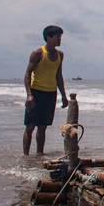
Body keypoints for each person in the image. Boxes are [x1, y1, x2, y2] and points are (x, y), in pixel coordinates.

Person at [23, 25, 68, 155]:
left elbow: (59, 76)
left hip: (51, 93)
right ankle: (26, 156)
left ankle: (39, 154)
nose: (60, 39)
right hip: (36, 92)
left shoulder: (60, 55)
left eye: (60, 37)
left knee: (43, 126)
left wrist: (63, 96)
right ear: (48, 38)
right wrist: (29, 95)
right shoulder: (38, 53)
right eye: (57, 37)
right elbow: (27, 74)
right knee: (30, 126)